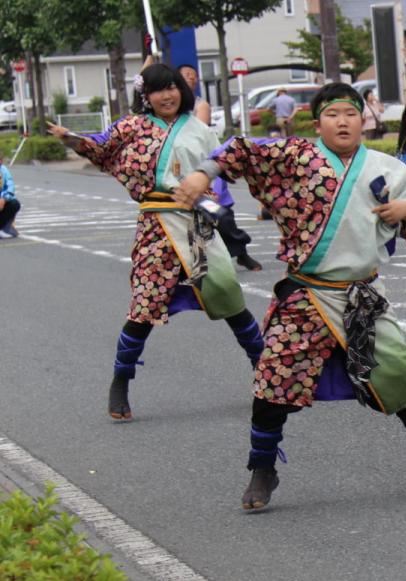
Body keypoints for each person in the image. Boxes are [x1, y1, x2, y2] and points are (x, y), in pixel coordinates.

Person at [174, 82, 406, 511]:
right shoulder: (293, 158)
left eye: (350, 113)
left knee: (403, 378)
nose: (342, 121)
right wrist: (203, 174)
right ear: (318, 122)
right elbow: (239, 149)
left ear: (363, 120)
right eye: (332, 114)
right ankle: (263, 468)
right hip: (306, 293)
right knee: (271, 386)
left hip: (362, 295)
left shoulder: (391, 168)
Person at [46, 64, 264, 421]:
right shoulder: (131, 126)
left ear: (182, 90)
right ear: (145, 96)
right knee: (145, 307)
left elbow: (224, 167)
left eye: (172, 88)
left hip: (197, 225)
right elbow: (99, 146)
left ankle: (266, 374)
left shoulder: (200, 130)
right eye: (158, 90)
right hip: (156, 224)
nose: (167, 95)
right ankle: (121, 380)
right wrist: (71, 138)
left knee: (228, 294)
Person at [0, 153, 20, 238]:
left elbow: (10, 186)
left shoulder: (3, 170)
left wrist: (3, 198)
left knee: (14, 204)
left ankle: (4, 226)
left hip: (1, 199)